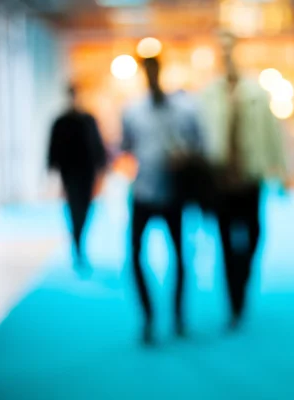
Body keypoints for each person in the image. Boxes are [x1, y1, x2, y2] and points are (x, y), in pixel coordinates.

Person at [200, 30, 287, 330]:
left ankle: (244, 277)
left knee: (253, 236)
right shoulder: (209, 94)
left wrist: (281, 170)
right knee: (225, 243)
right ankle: (234, 302)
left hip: (250, 178)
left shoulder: (256, 92)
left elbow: (273, 132)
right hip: (221, 181)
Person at [121, 56, 203, 345]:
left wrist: (184, 157)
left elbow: (199, 145)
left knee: (181, 257)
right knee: (134, 257)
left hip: (173, 194)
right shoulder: (133, 110)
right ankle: (148, 317)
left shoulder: (182, 110)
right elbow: (126, 146)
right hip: (143, 192)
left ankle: (179, 316)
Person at [48, 85, 107, 266]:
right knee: (74, 206)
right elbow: (54, 147)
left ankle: (79, 237)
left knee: (86, 206)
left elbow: (97, 145)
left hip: (86, 171)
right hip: (70, 171)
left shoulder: (88, 119)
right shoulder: (61, 121)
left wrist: (101, 166)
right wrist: (53, 168)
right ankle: (77, 242)